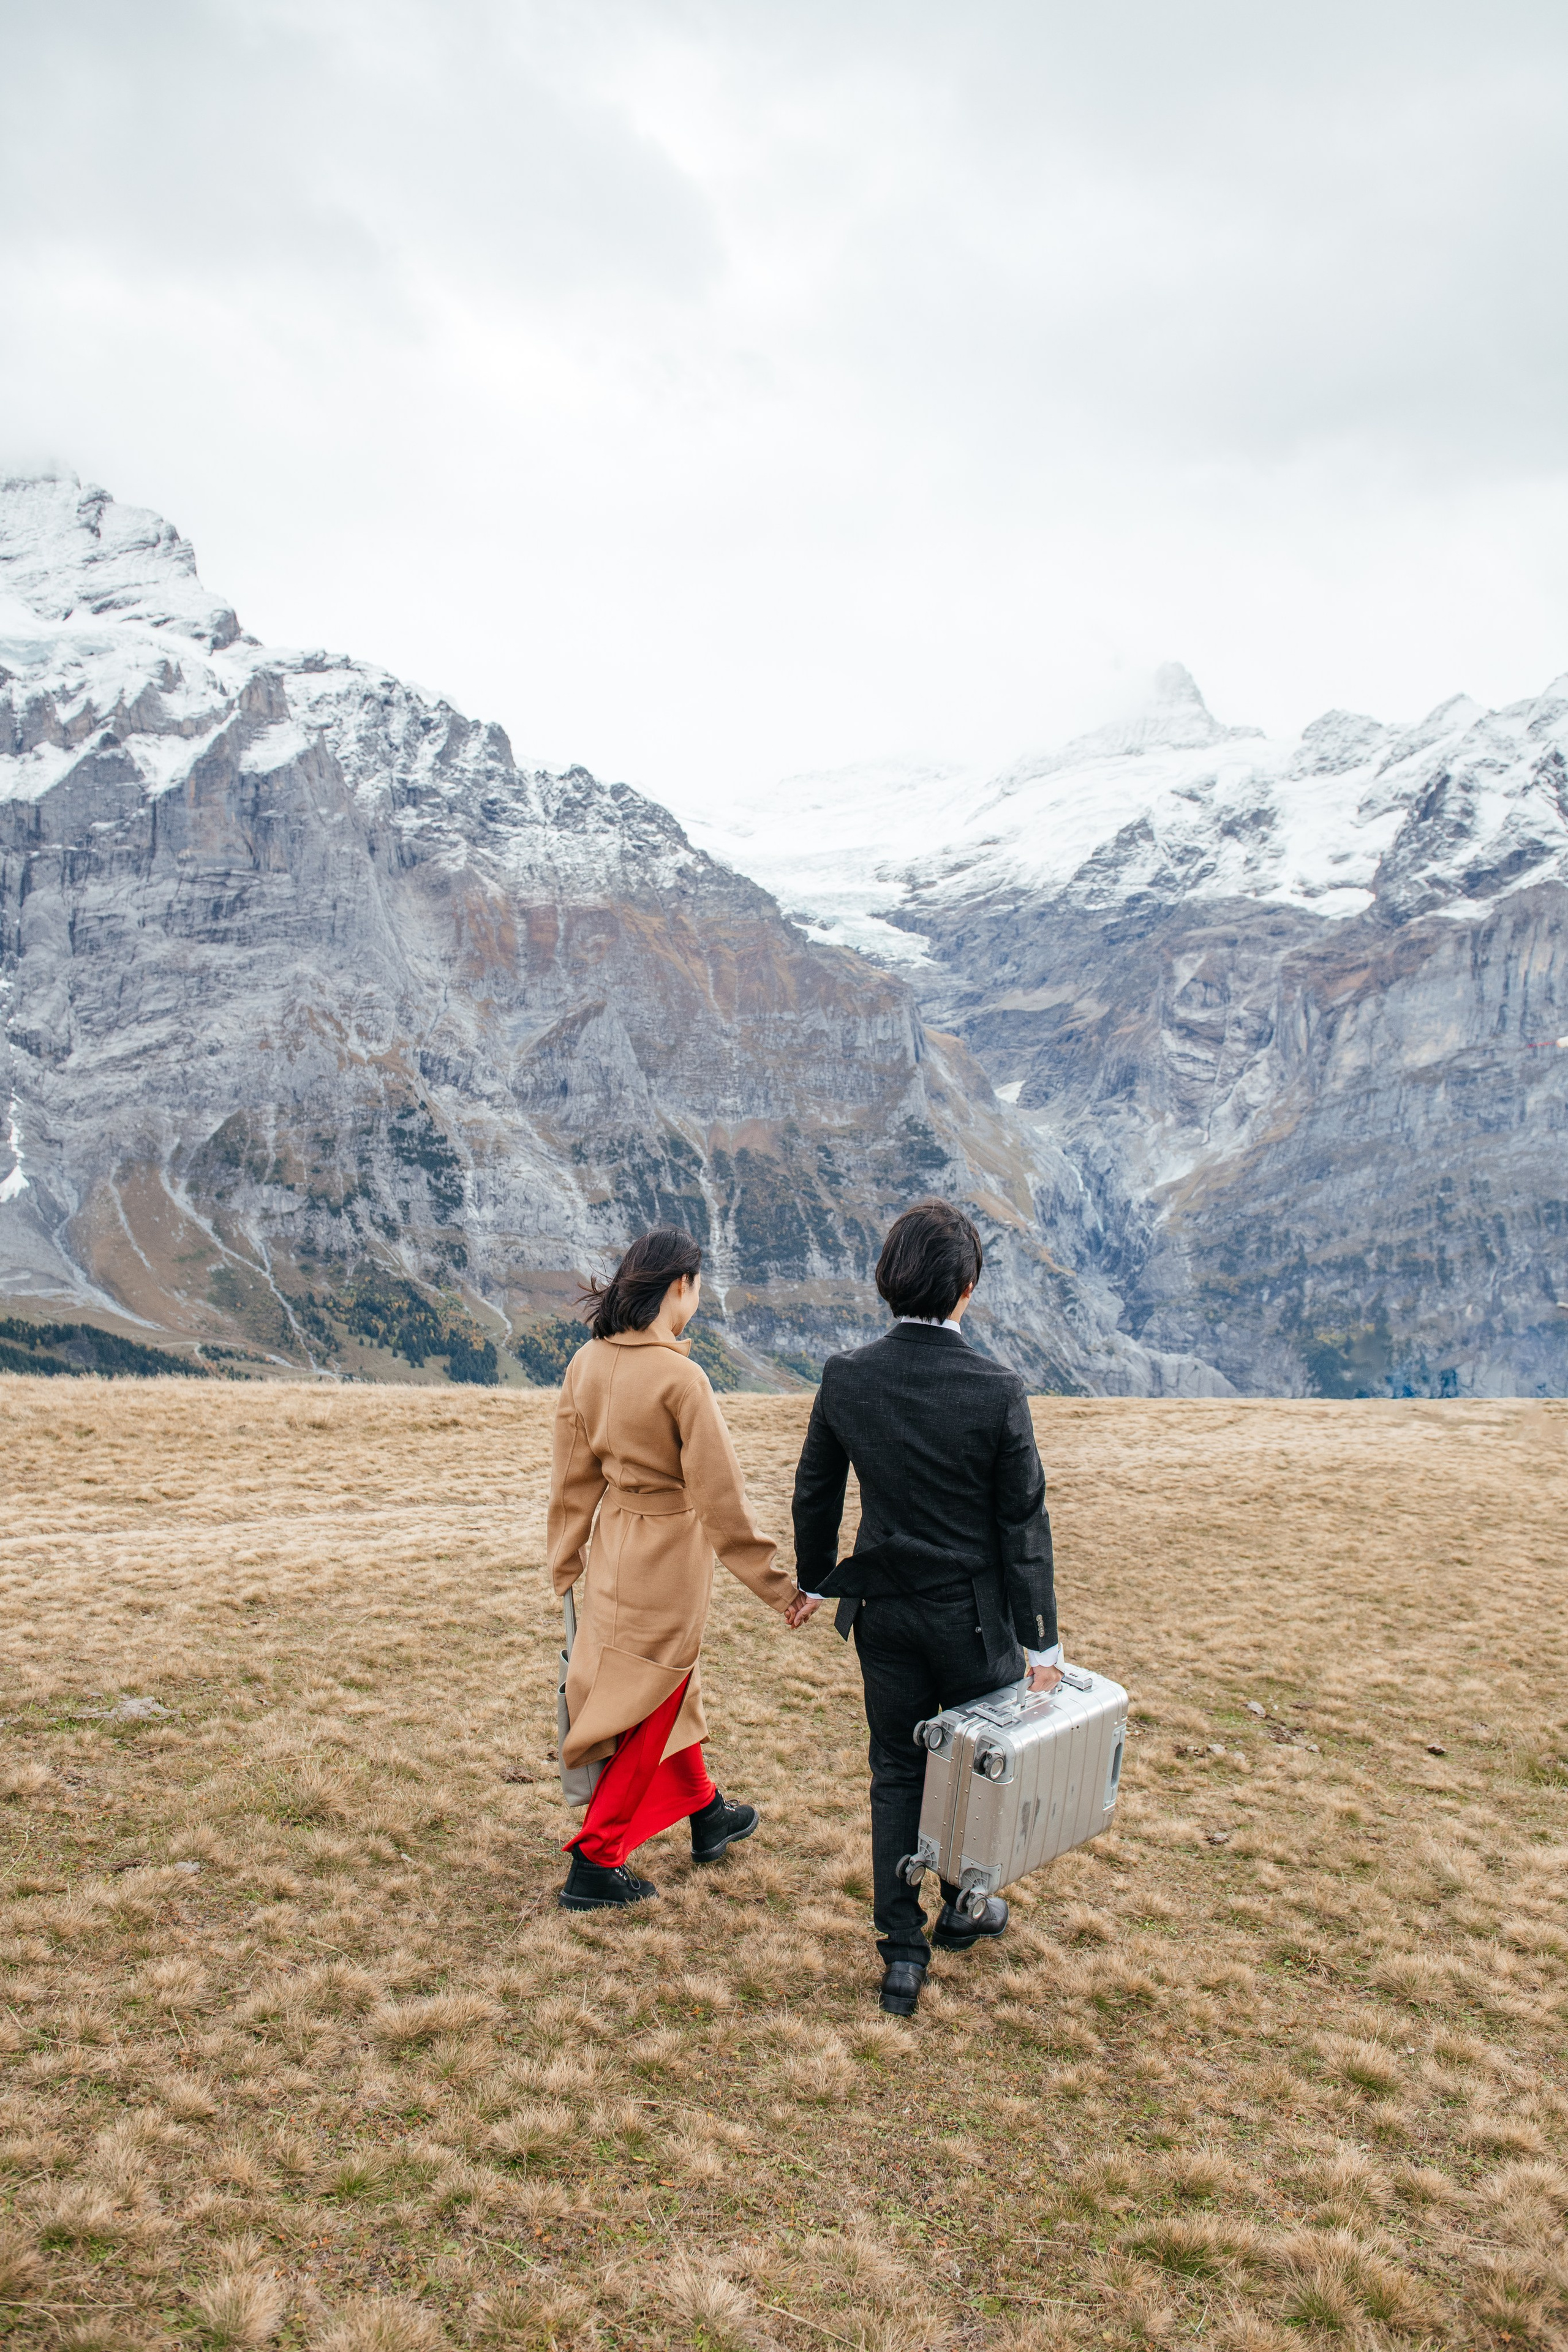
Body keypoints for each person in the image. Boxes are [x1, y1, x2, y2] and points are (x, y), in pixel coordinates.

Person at [787, 1199, 1061, 2015]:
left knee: (896, 1771)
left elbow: (816, 1493)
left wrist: (813, 1579)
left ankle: (900, 1951)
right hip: (976, 1622)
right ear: (967, 1286)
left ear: (887, 1279)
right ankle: (963, 1910)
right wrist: (1042, 1648)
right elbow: (1024, 1526)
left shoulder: (847, 1376)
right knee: (977, 1770)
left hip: (885, 1615)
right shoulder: (997, 1389)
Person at [549, 1226, 809, 1911]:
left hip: (613, 1547)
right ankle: (596, 1862)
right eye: (695, 1288)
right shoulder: (681, 1378)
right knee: (657, 1693)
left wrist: (566, 1561)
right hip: (669, 1554)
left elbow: (572, 1482)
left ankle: (706, 1812)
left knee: (658, 1683)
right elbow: (721, 1501)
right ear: (679, 1287)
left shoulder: (587, 1362)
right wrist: (778, 1588)